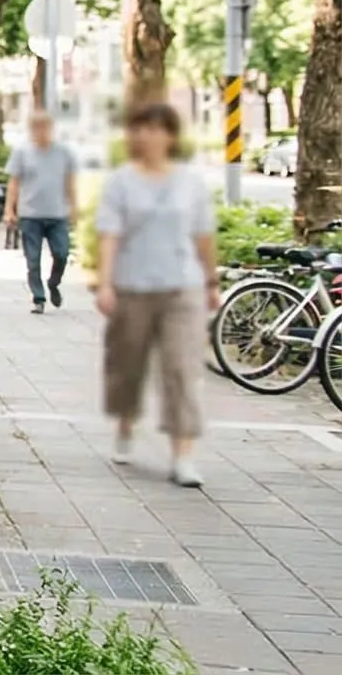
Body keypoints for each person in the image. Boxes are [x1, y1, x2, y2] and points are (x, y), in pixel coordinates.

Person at [93, 101, 217, 488]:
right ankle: (125, 425)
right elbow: (109, 236)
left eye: (152, 128)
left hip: (183, 287)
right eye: (138, 129)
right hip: (133, 287)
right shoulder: (121, 182)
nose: (144, 136)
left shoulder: (191, 183)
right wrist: (106, 282)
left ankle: (183, 456)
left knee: (182, 369)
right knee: (128, 364)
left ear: (169, 135)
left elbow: (203, 235)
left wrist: (212, 282)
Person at [5, 110, 82, 315]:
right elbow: (14, 182)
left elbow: (70, 182)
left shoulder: (64, 152)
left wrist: (74, 207)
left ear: (50, 129)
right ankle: (38, 298)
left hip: (57, 214)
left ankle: (54, 283)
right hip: (30, 215)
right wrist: (9, 210)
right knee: (33, 259)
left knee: (62, 253)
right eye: (36, 128)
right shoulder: (22, 151)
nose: (40, 132)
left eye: (44, 128)